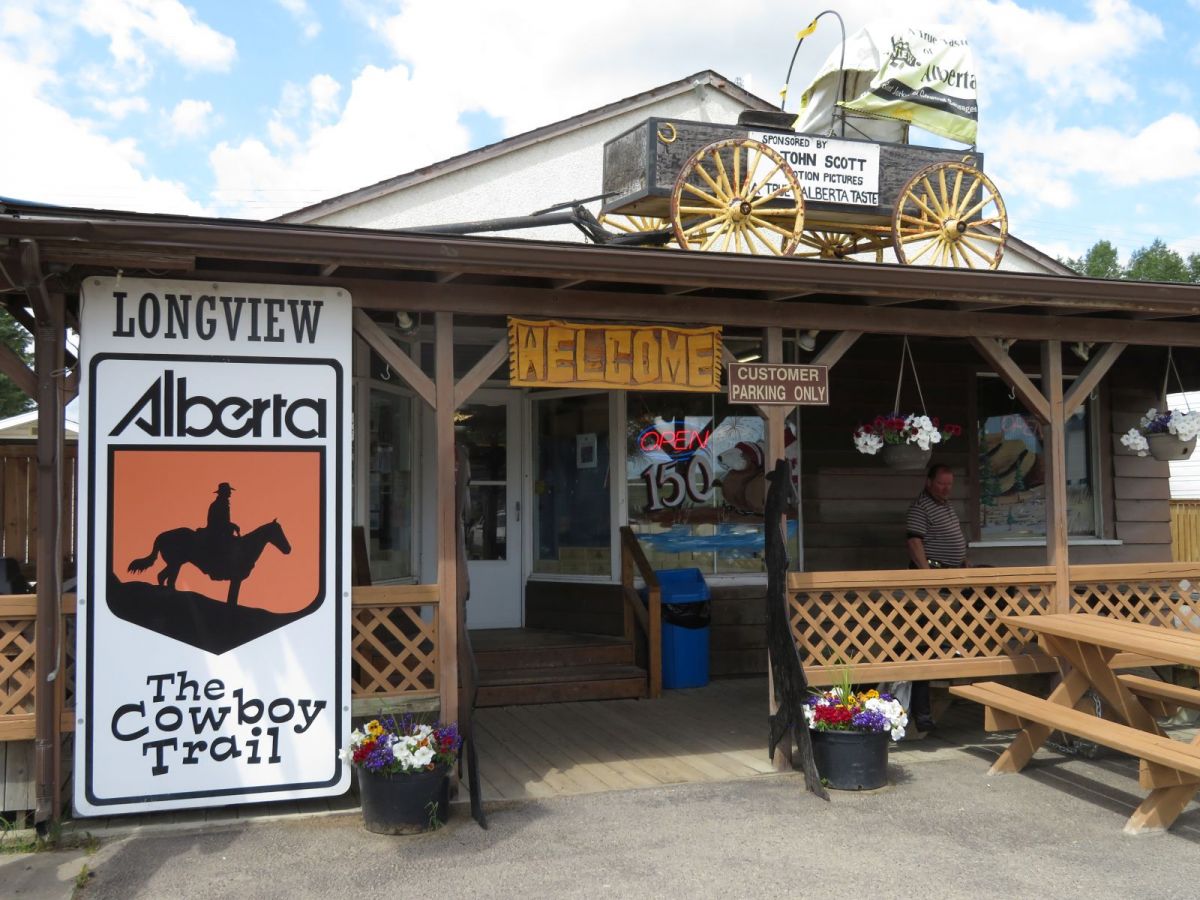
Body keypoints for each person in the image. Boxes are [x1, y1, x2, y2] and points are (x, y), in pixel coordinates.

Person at [904, 463, 967, 733]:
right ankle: (922, 714)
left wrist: (964, 565)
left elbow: (955, 541)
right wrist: (928, 577)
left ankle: (955, 666)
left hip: (951, 581)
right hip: (931, 585)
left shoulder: (946, 506)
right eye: (941, 484)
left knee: (944, 638)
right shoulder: (921, 507)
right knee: (924, 644)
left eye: (949, 484)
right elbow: (914, 541)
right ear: (929, 482)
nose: (946, 489)